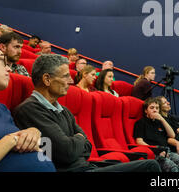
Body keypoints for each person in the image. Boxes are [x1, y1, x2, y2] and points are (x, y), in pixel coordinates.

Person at [12, 54, 160, 172]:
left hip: (87, 166)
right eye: (65, 76)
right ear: (47, 79)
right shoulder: (30, 110)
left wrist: (77, 141)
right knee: (149, 167)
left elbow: (88, 147)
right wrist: (79, 139)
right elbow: (67, 152)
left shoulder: (63, 110)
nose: (70, 80)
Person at [0, 43, 55, 172]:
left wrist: (33, 132)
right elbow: (13, 139)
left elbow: (38, 148)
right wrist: (9, 141)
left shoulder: (1, 109)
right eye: (2, 61)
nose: (9, 69)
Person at [134, 97, 179, 172]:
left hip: (167, 151)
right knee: (174, 169)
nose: (155, 110)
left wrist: (162, 119)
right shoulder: (141, 123)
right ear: (146, 110)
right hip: (154, 153)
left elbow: (172, 135)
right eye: (152, 108)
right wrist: (156, 150)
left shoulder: (160, 122)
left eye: (157, 108)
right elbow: (139, 141)